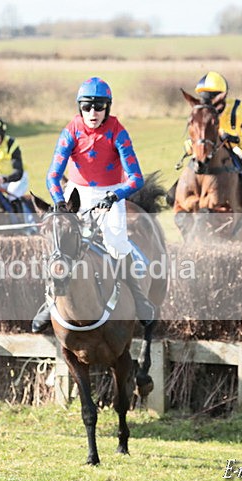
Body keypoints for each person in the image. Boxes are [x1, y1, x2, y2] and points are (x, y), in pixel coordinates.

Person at [31, 76, 156, 333]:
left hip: (110, 192)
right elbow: (52, 176)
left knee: (117, 242)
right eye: (87, 106)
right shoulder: (71, 131)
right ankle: (49, 301)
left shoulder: (118, 132)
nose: (93, 112)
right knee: (59, 243)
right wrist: (60, 204)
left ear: (107, 108)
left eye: (99, 106)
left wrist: (115, 196)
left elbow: (136, 178)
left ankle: (140, 299)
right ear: (80, 107)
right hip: (76, 192)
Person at [175, 71, 242, 212]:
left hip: (232, 155)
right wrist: (191, 145)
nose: (207, 102)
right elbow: (190, 141)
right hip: (202, 155)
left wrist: (237, 140)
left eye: (212, 97)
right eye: (203, 97)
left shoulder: (238, 108)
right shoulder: (199, 111)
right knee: (172, 193)